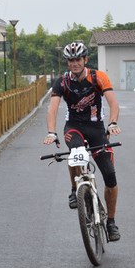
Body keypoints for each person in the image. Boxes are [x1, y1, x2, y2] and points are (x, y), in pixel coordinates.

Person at [43, 41, 122, 241]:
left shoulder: (98, 77)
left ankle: (111, 222)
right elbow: (52, 109)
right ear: (67, 62)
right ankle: (74, 189)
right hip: (74, 127)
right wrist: (52, 132)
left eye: (78, 59)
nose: (75, 63)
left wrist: (112, 123)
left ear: (85, 59)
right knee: (76, 152)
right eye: (71, 60)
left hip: (96, 128)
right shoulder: (62, 82)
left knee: (110, 177)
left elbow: (113, 102)